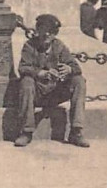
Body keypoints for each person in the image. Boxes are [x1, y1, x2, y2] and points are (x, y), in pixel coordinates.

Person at [14, 13, 89, 148]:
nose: (47, 34)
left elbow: (76, 67)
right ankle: (26, 131)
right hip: (36, 92)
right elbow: (23, 68)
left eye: (52, 32)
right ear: (38, 30)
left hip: (55, 92)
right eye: (44, 30)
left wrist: (69, 69)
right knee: (26, 82)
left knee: (79, 81)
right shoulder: (30, 46)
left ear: (55, 34)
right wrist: (40, 73)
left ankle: (76, 131)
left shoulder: (59, 46)